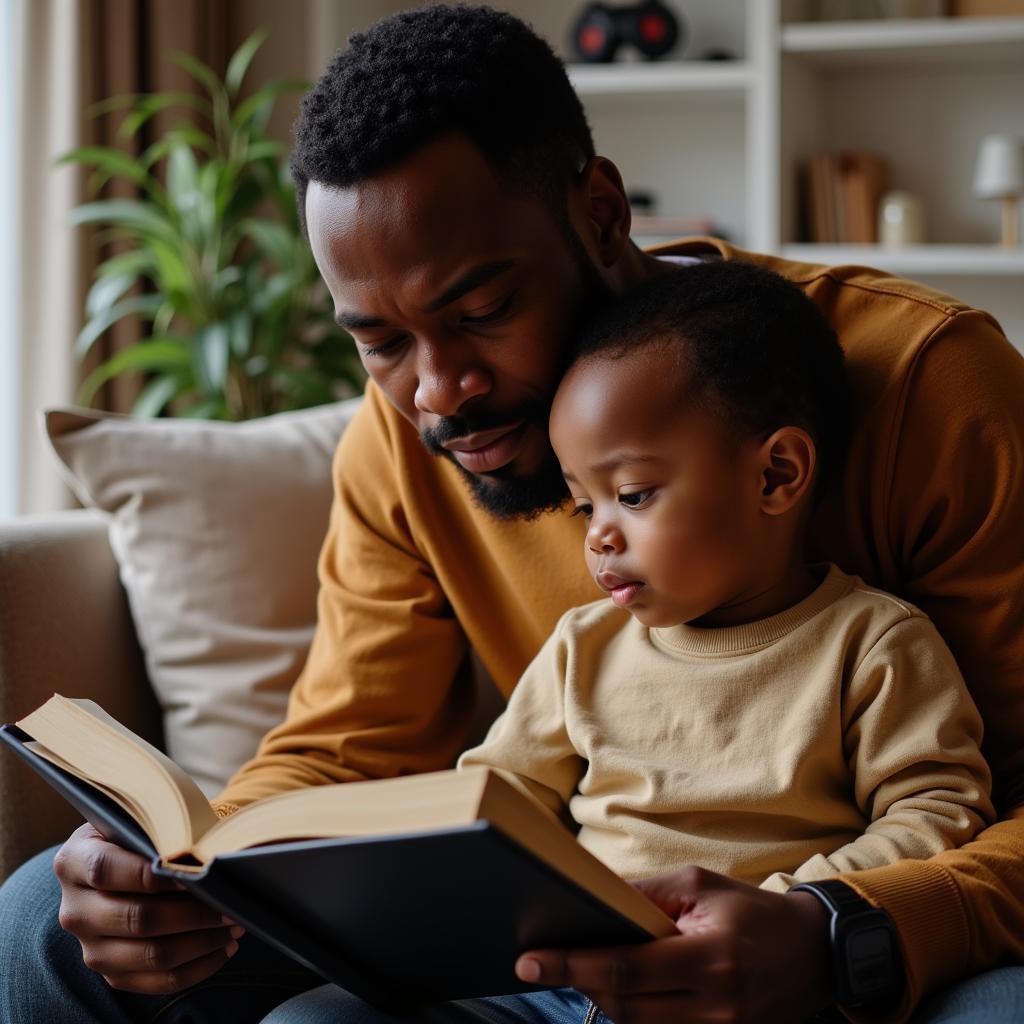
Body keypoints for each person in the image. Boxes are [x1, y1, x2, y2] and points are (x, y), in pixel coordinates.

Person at [2, 4, 1023, 1023]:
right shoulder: (403, 441)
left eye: (480, 312)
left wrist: (840, 930)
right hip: (552, 962)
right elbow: (350, 748)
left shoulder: (929, 385)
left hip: (858, 935)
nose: (438, 391)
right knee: (47, 912)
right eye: (382, 342)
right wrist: (185, 870)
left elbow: (970, 799)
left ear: (602, 211)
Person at [457, 260, 995, 900]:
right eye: (584, 505)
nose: (597, 535)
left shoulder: (871, 645)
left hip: (779, 970)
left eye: (631, 495)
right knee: (318, 1008)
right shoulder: (583, 646)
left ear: (775, 476)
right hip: (572, 976)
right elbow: (497, 794)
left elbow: (937, 812)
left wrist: (791, 909)